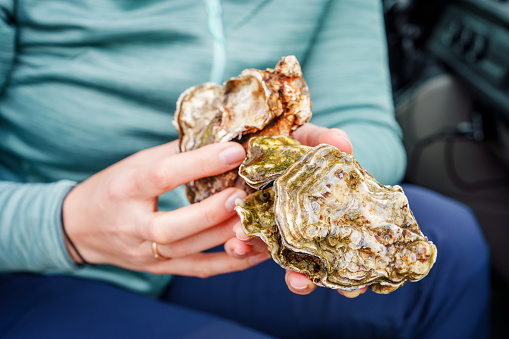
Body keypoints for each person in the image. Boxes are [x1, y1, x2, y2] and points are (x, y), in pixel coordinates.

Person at [0, 0, 489, 338]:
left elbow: (369, 124)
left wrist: (296, 189)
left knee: (454, 255)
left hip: (227, 236)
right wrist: (66, 225)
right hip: (37, 259)